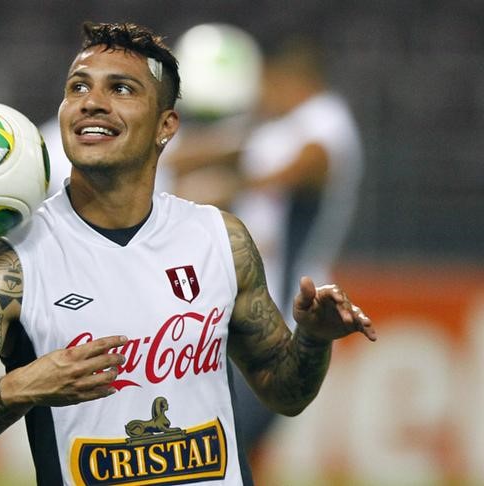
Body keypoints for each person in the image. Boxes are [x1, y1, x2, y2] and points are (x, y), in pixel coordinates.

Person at [0, 22, 375, 486]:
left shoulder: (222, 240)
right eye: (78, 87)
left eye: (121, 88)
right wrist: (19, 387)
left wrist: (314, 339)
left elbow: (285, 393)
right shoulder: (6, 269)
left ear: (165, 125)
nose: (92, 101)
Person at [168, 33, 366, 453]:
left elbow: (311, 163)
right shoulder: (280, 128)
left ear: (290, 79)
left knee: (223, 441)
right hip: (254, 306)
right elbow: (230, 150)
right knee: (218, 444)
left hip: (287, 308)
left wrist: (236, 185)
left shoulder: (324, 117)